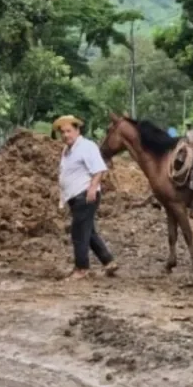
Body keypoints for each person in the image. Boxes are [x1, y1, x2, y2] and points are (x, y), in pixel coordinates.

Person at [54, 115, 118, 280]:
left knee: (78, 232)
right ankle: (108, 261)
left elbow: (99, 169)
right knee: (88, 232)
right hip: (75, 197)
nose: (65, 135)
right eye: (63, 132)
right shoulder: (67, 150)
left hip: (86, 195)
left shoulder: (86, 146)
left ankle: (81, 268)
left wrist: (92, 189)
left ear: (77, 130)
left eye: (69, 131)